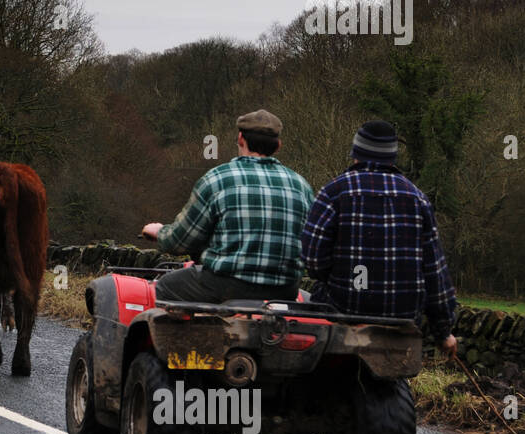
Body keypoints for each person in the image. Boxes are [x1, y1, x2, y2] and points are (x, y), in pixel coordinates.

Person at [300, 120, 459, 355]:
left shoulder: (333, 192)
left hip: (343, 311)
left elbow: (312, 259)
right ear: (392, 158)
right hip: (401, 318)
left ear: (356, 154)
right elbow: (435, 272)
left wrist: (337, 276)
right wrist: (443, 332)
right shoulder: (418, 199)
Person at [141, 109, 315, 303]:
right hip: (284, 291)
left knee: (166, 286)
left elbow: (181, 241)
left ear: (241, 139)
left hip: (227, 286)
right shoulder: (301, 186)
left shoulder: (217, 179)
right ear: (278, 146)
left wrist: (159, 232)